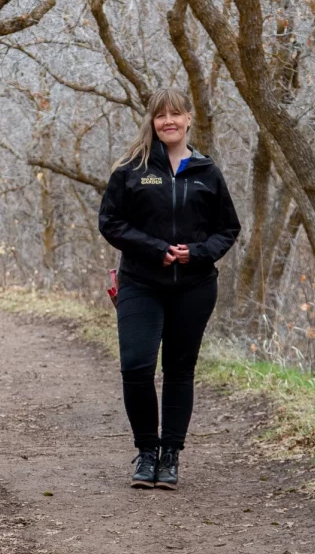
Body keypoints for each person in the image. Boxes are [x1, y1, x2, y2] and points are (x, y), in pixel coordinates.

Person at [98, 88, 240, 490]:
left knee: (179, 370)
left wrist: (194, 254)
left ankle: (170, 456)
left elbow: (227, 229)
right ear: (152, 121)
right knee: (137, 366)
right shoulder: (131, 168)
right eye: (161, 116)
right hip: (141, 283)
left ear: (189, 118)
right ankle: (146, 453)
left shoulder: (207, 172)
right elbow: (110, 222)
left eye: (175, 114)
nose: (168, 122)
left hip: (194, 287)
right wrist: (156, 250)